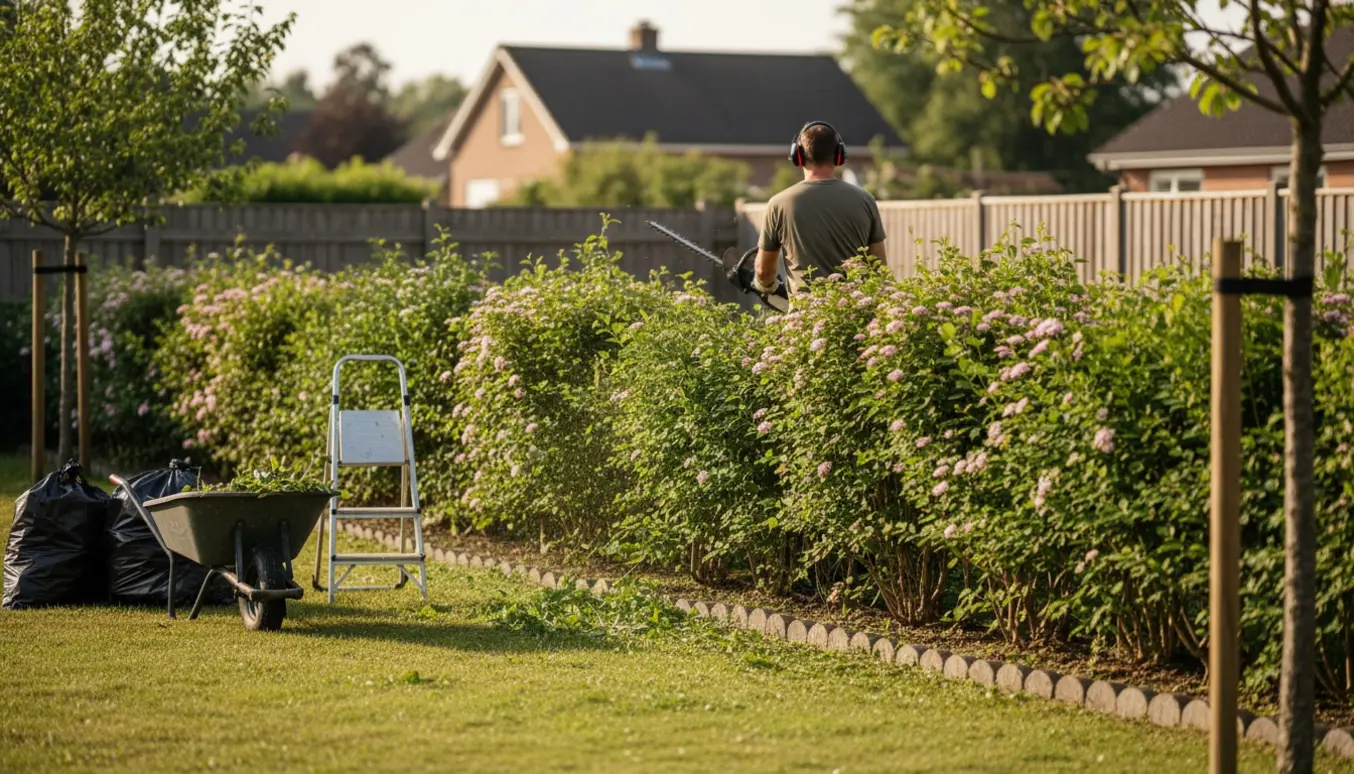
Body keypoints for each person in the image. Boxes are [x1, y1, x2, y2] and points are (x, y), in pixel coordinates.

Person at [751, 121, 888, 298]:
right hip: (856, 316)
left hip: (804, 319)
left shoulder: (778, 204)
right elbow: (879, 270)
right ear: (839, 155)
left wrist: (764, 285)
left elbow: (764, 272)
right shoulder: (865, 200)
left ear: (797, 155)